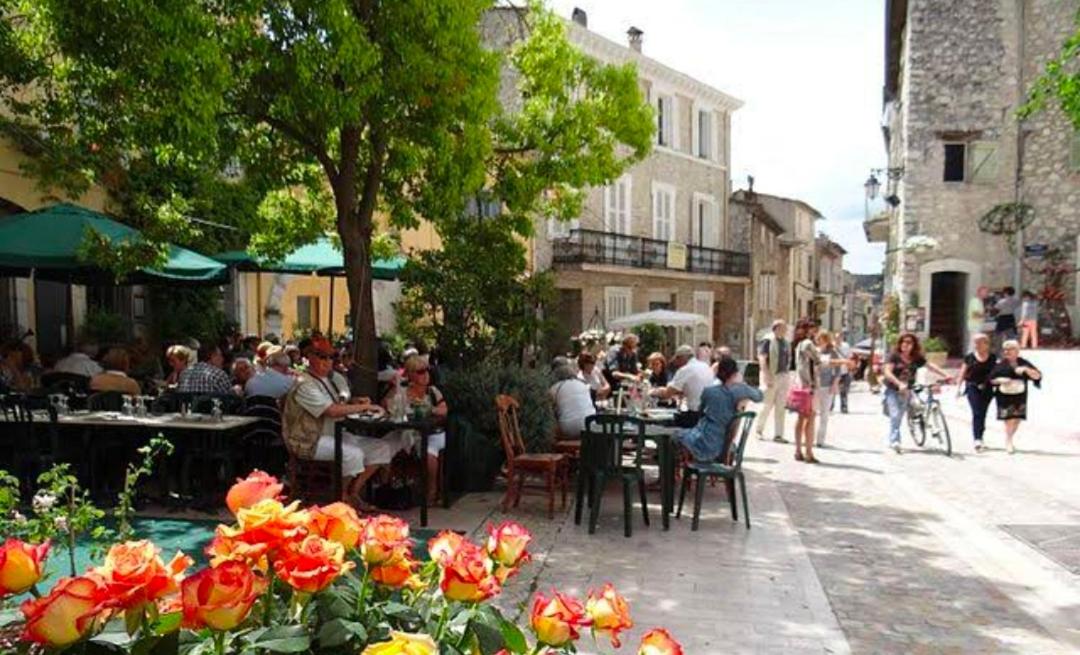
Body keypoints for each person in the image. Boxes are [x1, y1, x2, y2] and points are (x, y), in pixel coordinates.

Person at [283, 336, 402, 507]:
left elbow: (338, 403)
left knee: (381, 447)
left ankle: (353, 492)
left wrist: (355, 402)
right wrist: (364, 407)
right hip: (310, 440)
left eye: (331, 357)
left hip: (335, 433)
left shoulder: (331, 379)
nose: (327, 361)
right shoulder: (304, 384)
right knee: (353, 454)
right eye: (322, 356)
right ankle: (341, 496)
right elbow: (331, 410)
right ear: (309, 357)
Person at [381, 354, 447, 502]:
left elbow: (444, 410)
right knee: (384, 446)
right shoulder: (402, 391)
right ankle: (386, 490)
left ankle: (432, 490)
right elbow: (386, 405)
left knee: (429, 453)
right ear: (410, 375)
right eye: (420, 371)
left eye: (427, 370)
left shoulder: (432, 391)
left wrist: (429, 409)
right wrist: (395, 387)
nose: (425, 374)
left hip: (431, 433)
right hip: (406, 431)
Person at [677, 357, 763, 462]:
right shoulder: (742, 390)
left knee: (676, 436)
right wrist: (745, 398)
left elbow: (700, 415)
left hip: (705, 442)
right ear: (735, 373)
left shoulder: (709, 391)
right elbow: (760, 396)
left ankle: (683, 469)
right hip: (724, 445)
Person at [881, 332, 951, 454]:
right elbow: (887, 372)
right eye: (903, 342)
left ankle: (920, 422)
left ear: (914, 345)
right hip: (893, 389)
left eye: (909, 342)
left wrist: (945, 374)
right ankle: (895, 441)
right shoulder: (894, 356)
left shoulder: (916, 357)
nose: (906, 345)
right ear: (900, 344)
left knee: (915, 407)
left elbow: (930, 366)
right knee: (895, 415)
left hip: (908, 389)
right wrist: (899, 383)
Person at [990, 340, 1042, 454]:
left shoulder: (1024, 363)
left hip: (1020, 393)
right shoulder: (1000, 364)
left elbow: (1038, 376)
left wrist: (1026, 370)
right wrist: (999, 380)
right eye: (1005, 350)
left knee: (1017, 418)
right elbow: (991, 379)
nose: (1007, 352)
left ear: (1017, 351)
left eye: (1010, 349)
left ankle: (1009, 437)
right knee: (1009, 418)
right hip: (1004, 394)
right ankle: (1008, 440)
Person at [755, 319, 792, 443]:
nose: (785, 330)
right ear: (776, 328)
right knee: (766, 405)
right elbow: (762, 358)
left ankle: (779, 434)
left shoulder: (786, 342)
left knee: (781, 406)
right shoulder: (768, 340)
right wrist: (766, 376)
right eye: (783, 328)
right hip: (771, 375)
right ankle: (758, 430)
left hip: (783, 375)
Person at [957, 333, 996, 452]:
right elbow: (962, 373)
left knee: (983, 413)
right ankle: (977, 439)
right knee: (977, 412)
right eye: (975, 342)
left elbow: (996, 372)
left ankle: (980, 436)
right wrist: (958, 387)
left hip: (987, 388)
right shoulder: (969, 357)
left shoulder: (992, 357)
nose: (977, 345)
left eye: (979, 342)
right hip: (972, 386)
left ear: (986, 344)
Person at [651, 344, 715, 413]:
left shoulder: (685, 370)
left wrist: (653, 391)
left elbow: (668, 393)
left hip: (695, 413)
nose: (676, 362)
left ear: (682, 358)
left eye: (677, 359)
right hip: (709, 411)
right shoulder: (705, 366)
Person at [814, 331, 851, 448]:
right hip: (815, 385)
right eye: (818, 339)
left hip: (827, 385)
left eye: (822, 339)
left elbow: (838, 370)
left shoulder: (832, 352)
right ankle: (811, 437)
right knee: (812, 412)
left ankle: (820, 439)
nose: (820, 341)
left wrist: (835, 384)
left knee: (824, 413)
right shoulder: (815, 351)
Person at [791, 320, 821, 463]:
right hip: (809, 385)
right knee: (810, 417)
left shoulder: (798, 344)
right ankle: (808, 452)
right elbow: (819, 361)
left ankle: (798, 450)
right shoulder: (808, 344)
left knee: (801, 418)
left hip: (800, 384)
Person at [549, 359, 595, 439]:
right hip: (590, 425)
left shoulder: (554, 389)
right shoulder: (583, 384)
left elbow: (550, 412)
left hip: (569, 428)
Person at [835, 332, 853, 413]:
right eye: (836, 338)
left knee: (843, 390)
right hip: (834, 372)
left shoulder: (846, 346)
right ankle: (830, 406)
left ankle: (844, 407)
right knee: (832, 390)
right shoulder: (832, 347)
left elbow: (850, 357)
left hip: (844, 371)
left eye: (839, 337)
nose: (837, 339)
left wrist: (849, 366)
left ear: (842, 338)